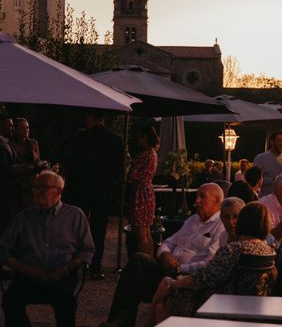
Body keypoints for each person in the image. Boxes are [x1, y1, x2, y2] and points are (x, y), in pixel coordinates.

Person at [105, 183, 225, 327]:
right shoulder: (192, 220)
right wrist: (165, 255)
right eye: (196, 197)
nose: (196, 202)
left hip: (185, 277)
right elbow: (168, 242)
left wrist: (180, 268)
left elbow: (210, 263)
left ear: (217, 201)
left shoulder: (221, 226)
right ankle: (120, 321)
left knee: (139, 267)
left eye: (202, 197)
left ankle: (122, 321)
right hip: (167, 267)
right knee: (138, 261)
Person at [146, 203, 276, 325]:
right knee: (167, 285)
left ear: (243, 222)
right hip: (249, 305)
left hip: (217, 303)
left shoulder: (233, 250)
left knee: (164, 299)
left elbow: (205, 278)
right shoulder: (268, 251)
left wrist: (176, 283)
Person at [0, 170, 95, 327]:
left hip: (62, 276)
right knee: (10, 301)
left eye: (43, 187)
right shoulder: (24, 217)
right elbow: (2, 249)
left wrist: (64, 270)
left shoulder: (74, 215)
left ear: (59, 191)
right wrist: (26, 270)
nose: (37, 192)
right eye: (35, 188)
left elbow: (87, 250)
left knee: (66, 303)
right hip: (28, 276)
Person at [63, 111, 123, 279]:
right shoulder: (115, 141)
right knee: (99, 229)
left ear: (91, 118)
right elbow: (118, 170)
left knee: (77, 228)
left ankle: (75, 263)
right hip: (103, 190)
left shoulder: (81, 138)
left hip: (81, 190)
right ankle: (95, 266)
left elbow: (72, 165)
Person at [127, 125, 159, 257]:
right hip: (148, 194)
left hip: (141, 195)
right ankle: (149, 262)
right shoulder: (153, 153)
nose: (137, 141)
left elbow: (133, 176)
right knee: (146, 232)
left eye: (139, 137)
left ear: (144, 137)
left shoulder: (145, 154)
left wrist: (130, 164)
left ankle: (143, 264)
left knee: (141, 233)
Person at [0, 113, 17, 234]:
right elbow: (6, 169)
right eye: (9, 126)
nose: (12, 128)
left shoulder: (9, 143)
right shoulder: (2, 145)